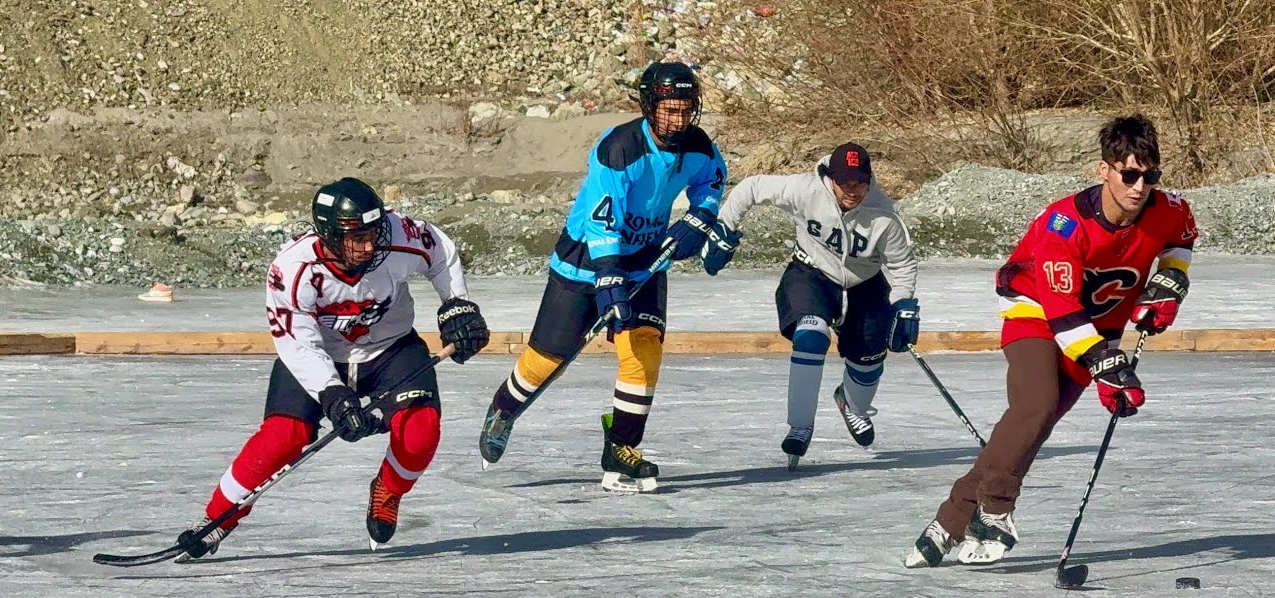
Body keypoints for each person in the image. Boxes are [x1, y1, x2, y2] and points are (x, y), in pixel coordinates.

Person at [904, 114, 1196, 568]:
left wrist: (1169, 286)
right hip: (1037, 309)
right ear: (1105, 170)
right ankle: (997, 510)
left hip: (1098, 327)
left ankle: (952, 519)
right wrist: (1107, 364)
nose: (1140, 187)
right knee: (1035, 405)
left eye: (1150, 175)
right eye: (1130, 174)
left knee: (1032, 427)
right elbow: (1061, 311)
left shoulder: (1171, 210)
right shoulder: (1063, 225)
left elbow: (1179, 244)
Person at [176, 177, 490, 561]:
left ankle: (388, 490)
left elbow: (440, 251)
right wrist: (332, 394)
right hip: (319, 356)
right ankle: (217, 520)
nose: (370, 245)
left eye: (373, 233)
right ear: (328, 235)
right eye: (356, 237)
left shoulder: (398, 234)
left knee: (420, 430)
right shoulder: (292, 270)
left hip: (391, 348)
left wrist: (457, 305)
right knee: (282, 437)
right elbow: (298, 342)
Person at [477, 60, 728, 493]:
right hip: (586, 260)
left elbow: (712, 181)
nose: (678, 118)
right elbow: (602, 221)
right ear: (650, 107)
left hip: (646, 259)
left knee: (643, 349)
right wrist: (609, 275)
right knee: (546, 360)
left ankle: (621, 450)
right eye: (669, 108)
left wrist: (700, 216)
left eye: (685, 108)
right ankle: (504, 407)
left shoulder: (699, 146)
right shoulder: (620, 148)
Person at [708, 142, 919, 467]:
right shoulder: (804, 189)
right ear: (829, 178)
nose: (852, 190)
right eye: (844, 182)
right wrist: (724, 228)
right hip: (812, 272)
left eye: (860, 182)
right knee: (811, 334)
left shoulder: (883, 214)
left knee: (869, 360)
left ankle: (853, 405)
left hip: (864, 283)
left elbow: (902, 265)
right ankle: (800, 427)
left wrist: (903, 304)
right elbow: (750, 188)